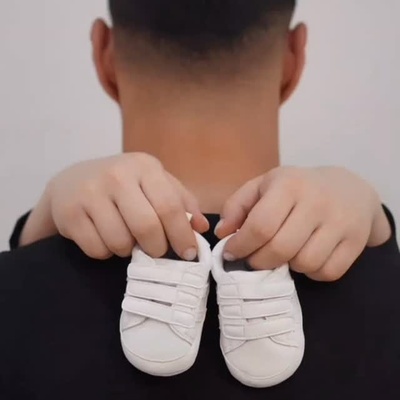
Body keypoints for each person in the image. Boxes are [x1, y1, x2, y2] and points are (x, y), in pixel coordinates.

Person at [0, 1, 399, 399]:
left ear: (104, 55)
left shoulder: (17, 296)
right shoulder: (384, 294)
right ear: (294, 59)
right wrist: (381, 238)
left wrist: (37, 228)